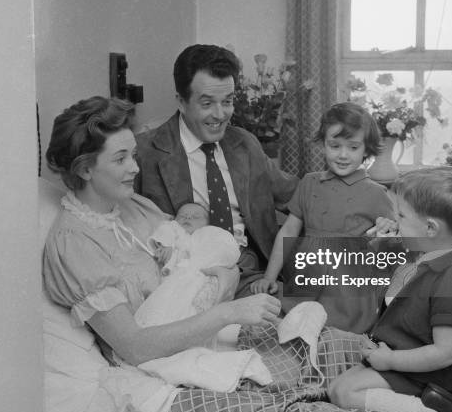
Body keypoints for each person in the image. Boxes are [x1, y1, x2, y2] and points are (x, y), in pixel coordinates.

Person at [43, 96, 281, 367]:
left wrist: (230, 277)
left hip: (205, 336)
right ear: (85, 169)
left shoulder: (135, 206)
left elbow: (194, 253)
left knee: (326, 342)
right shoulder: (75, 243)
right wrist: (228, 312)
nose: (135, 167)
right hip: (160, 367)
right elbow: (135, 347)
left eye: (133, 156)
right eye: (120, 159)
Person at [136, 44, 299, 297]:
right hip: (188, 278)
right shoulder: (146, 152)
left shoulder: (244, 143)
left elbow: (298, 195)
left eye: (228, 101)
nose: (220, 114)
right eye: (207, 103)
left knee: (316, 313)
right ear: (181, 101)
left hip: (251, 274)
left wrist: (369, 203)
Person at [326, 166, 452, 412]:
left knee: (342, 393)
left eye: (401, 215)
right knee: (334, 387)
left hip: (423, 374)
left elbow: (445, 353)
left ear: (430, 228)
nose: (395, 220)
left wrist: (390, 361)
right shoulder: (422, 249)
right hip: (397, 354)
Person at [250, 102, 394, 331]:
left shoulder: (377, 193)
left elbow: (394, 248)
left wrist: (388, 232)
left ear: (366, 149)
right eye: (334, 146)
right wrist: (269, 276)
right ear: (323, 144)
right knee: (281, 324)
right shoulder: (309, 182)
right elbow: (288, 231)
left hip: (347, 293)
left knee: (330, 333)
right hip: (307, 280)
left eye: (353, 147)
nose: (343, 155)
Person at [135, 202, 241, 329]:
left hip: (200, 274)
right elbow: (163, 233)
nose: (188, 218)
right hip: (174, 276)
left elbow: (223, 248)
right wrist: (166, 245)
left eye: (196, 217)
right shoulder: (174, 229)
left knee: (200, 299)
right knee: (168, 303)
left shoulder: (207, 234)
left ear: (207, 224)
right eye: (182, 216)